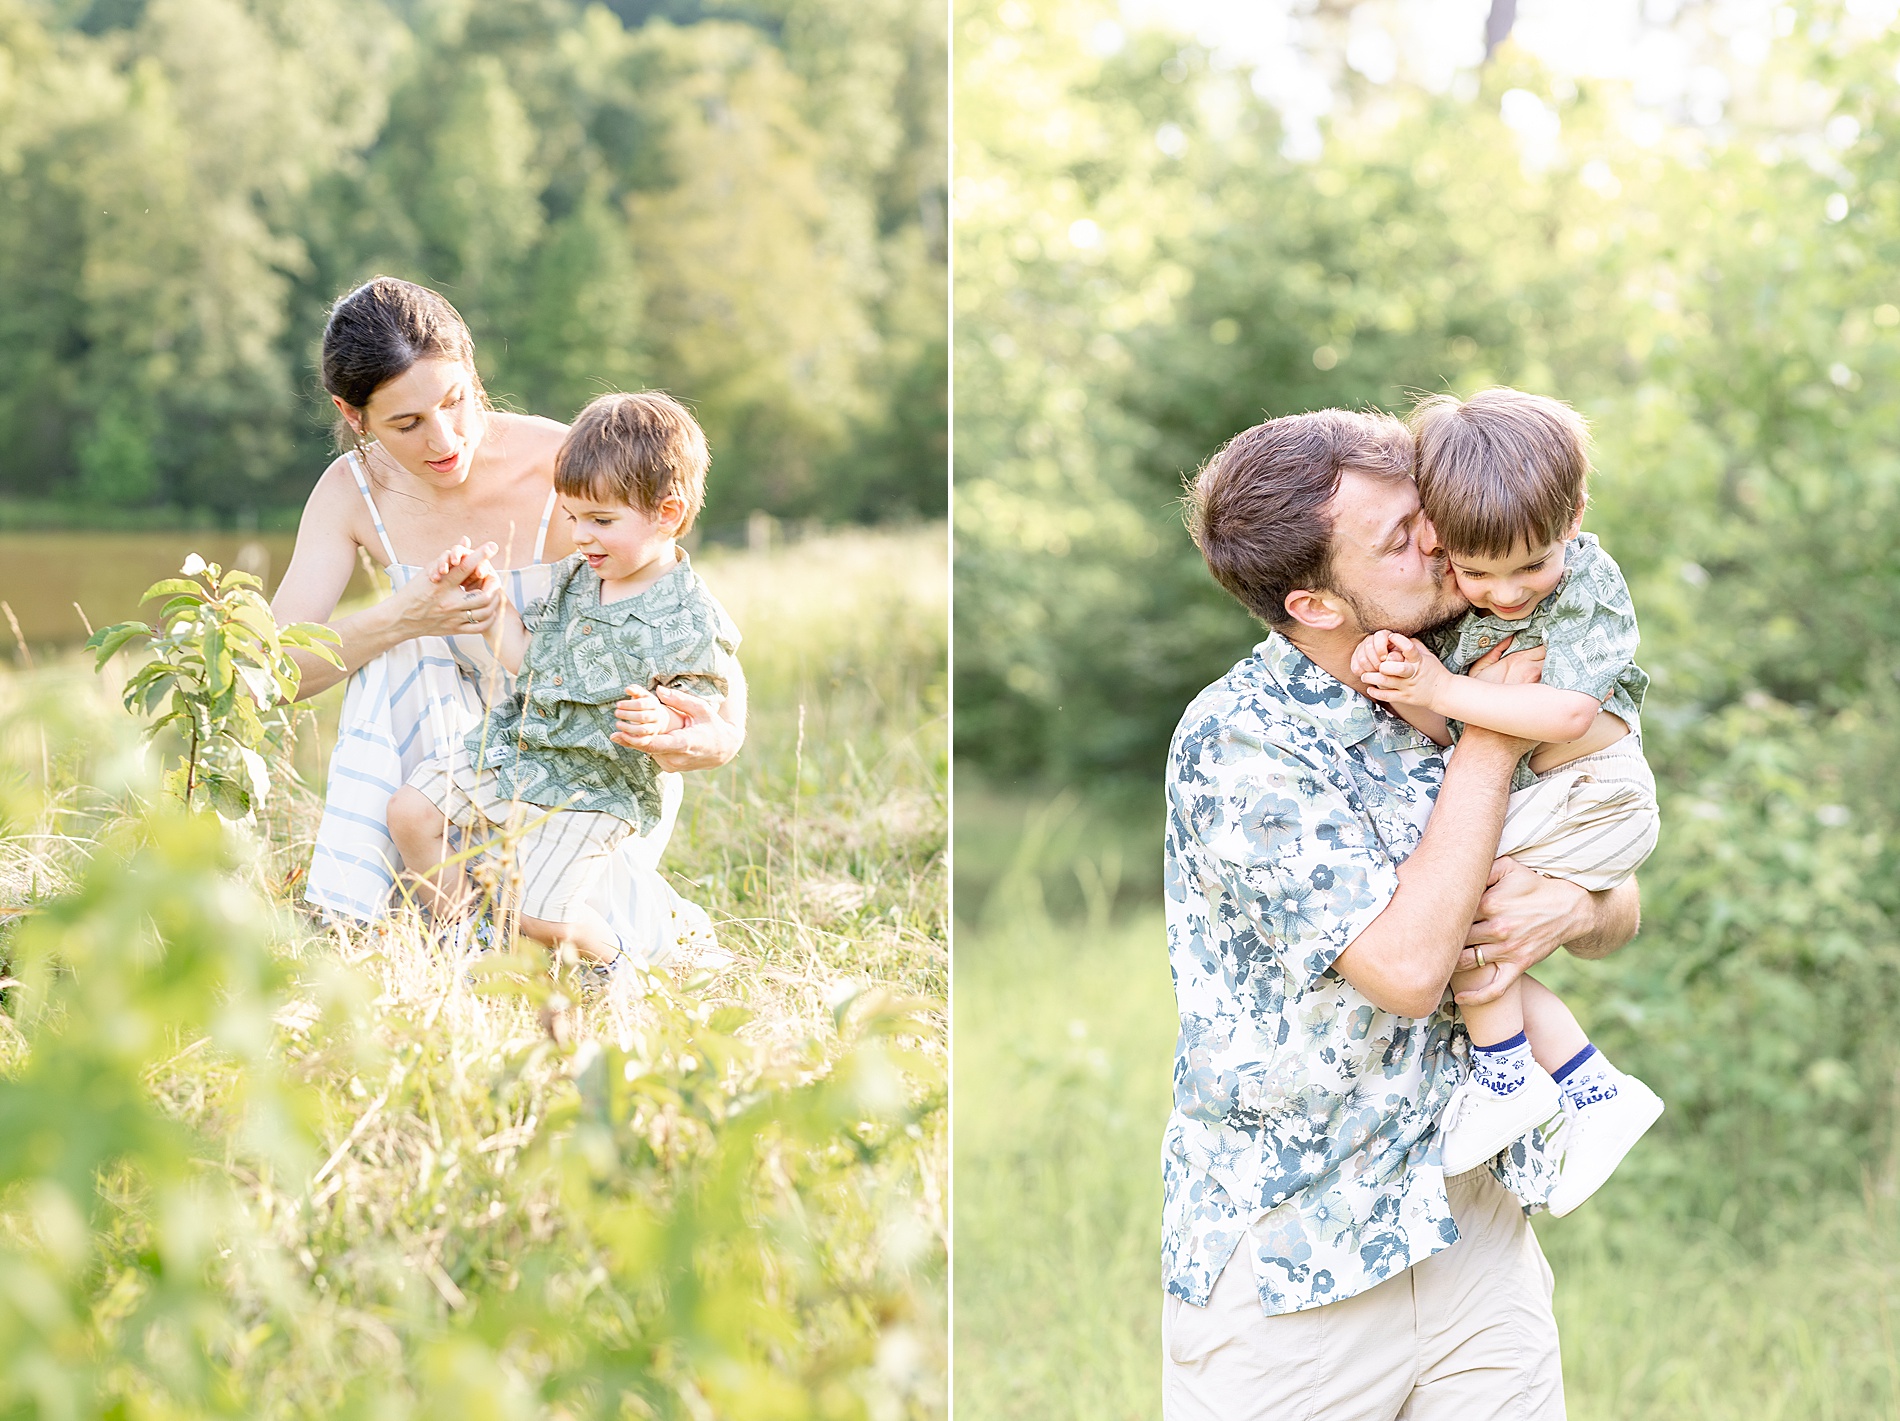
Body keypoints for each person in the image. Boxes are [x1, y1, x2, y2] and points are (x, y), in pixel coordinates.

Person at [1162, 408, 1641, 1420]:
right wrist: (1484, 729)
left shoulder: (1468, 660)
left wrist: (1566, 905)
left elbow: (1615, 905)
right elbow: (1408, 970)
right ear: (1313, 601)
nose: (1440, 540)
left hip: (1471, 1220)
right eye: (1399, 537)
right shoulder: (1240, 741)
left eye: (1426, 513)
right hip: (1300, 1257)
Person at [270, 276, 742, 960]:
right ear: (354, 414)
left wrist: (717, 736)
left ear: (472, 368)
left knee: (595, 927)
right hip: (451, 765)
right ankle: (449, 936)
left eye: (456, 400)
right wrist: (403, 616)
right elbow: (274, 670)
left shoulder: (569, 466)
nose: (445, 438)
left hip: (581, 751)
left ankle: (543, 928)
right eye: (407, 423)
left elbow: (684, 617)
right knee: (401, 645)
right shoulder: (350, 493)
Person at [1350, 388, 1663, 1215]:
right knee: (1469, 927)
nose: (1508, 593)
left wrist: (1440, 684)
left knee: (1455, 915)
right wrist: (1405, 687)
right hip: (1556, 788)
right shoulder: (1462, 603)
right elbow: (1461, 725)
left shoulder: (1588, 582)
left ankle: (1507, 1080)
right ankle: (1591, 1089)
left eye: (1531, 566)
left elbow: (1564, 714)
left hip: (1593, 790)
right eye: (1476, 570)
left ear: (1576, 516)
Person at [386, 391, 739, 969]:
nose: (579, 536)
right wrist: (494, 604)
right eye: (572, 517)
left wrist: (662, 720)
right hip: (518, 748)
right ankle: (468, 938)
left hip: (595, 782)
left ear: (668, 514)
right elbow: (534, 665)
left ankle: (622, 971)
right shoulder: (579, 578)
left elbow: (697, 715)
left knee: (541, 914)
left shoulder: (691, 618)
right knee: (411, 814)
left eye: (600, 521)